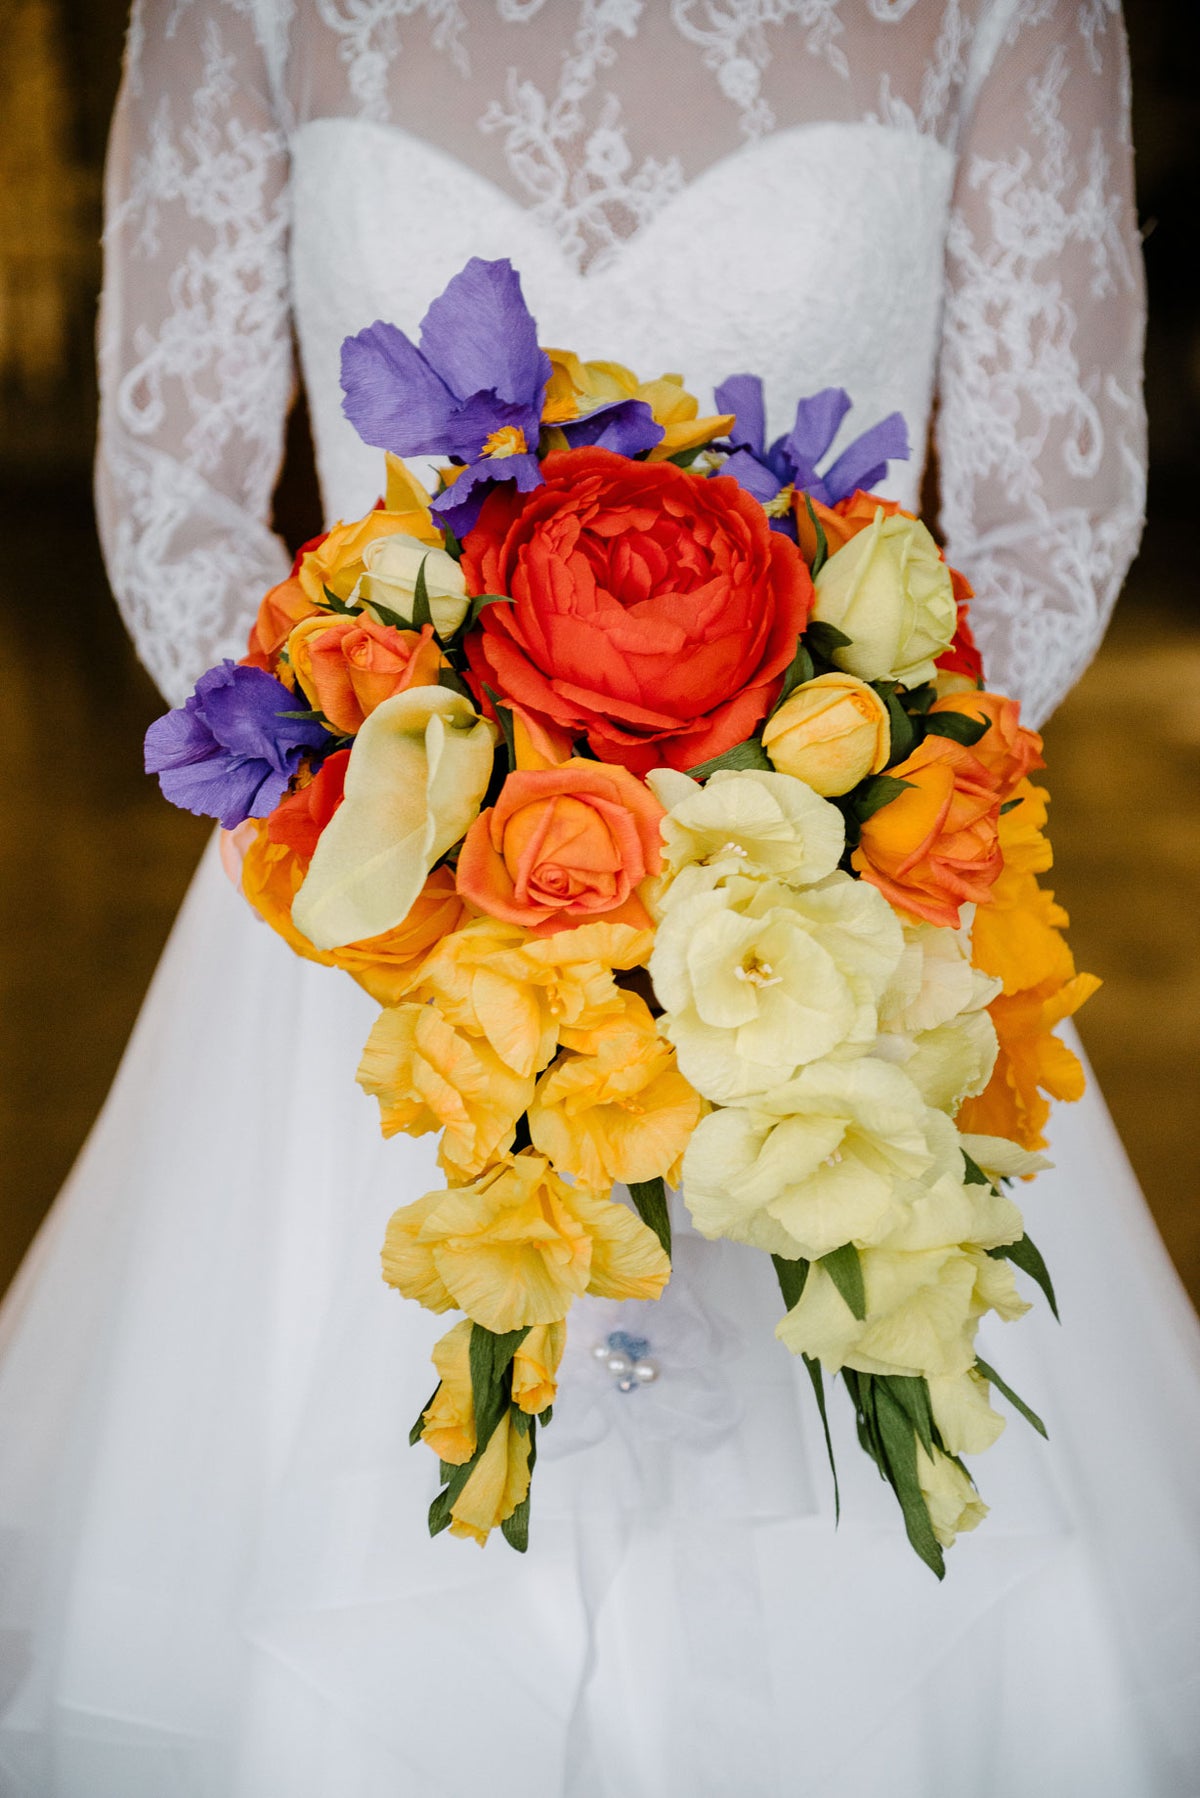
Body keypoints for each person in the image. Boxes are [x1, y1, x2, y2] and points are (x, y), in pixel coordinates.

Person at [2, 4, 1198, 1794]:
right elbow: (173, 490)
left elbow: (1050, 516)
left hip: (827, 945)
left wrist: (802, 832)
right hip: (382, 954)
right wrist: (413, 841)